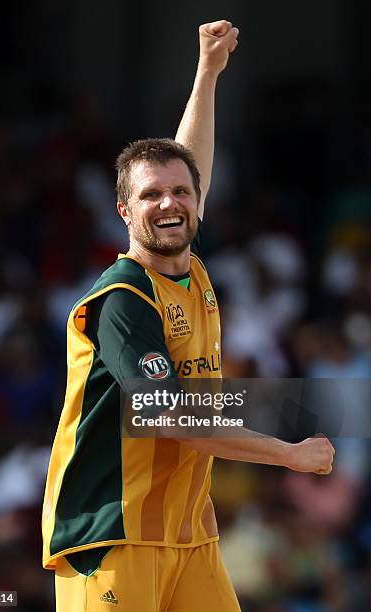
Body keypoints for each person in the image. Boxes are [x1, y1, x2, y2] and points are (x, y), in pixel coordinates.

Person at [42, 20, 335, 612]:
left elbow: (187, 163)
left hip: (189, 535)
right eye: (150, 196)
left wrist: (208, 71)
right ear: (124, 212)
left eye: (181, 194)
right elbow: (168, 415)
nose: (169, 203)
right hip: (112, 534)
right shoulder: (124, 299)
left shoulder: (190, 271)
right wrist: (289, 453)